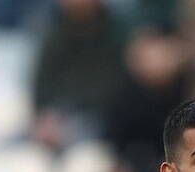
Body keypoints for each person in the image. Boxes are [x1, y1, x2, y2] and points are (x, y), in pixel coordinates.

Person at [103, 27, 192, 172]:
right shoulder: (126, 96)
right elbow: (115, 142)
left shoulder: (191, 93)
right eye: (149, 54)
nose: (157, 60)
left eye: (164, 52)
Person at [31, 0, 129, 150]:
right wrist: (47, 116)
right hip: (57, 117)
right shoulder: (54, 29)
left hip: (100, 121)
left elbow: (114, 88)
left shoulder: (118, 32)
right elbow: (42, 85)